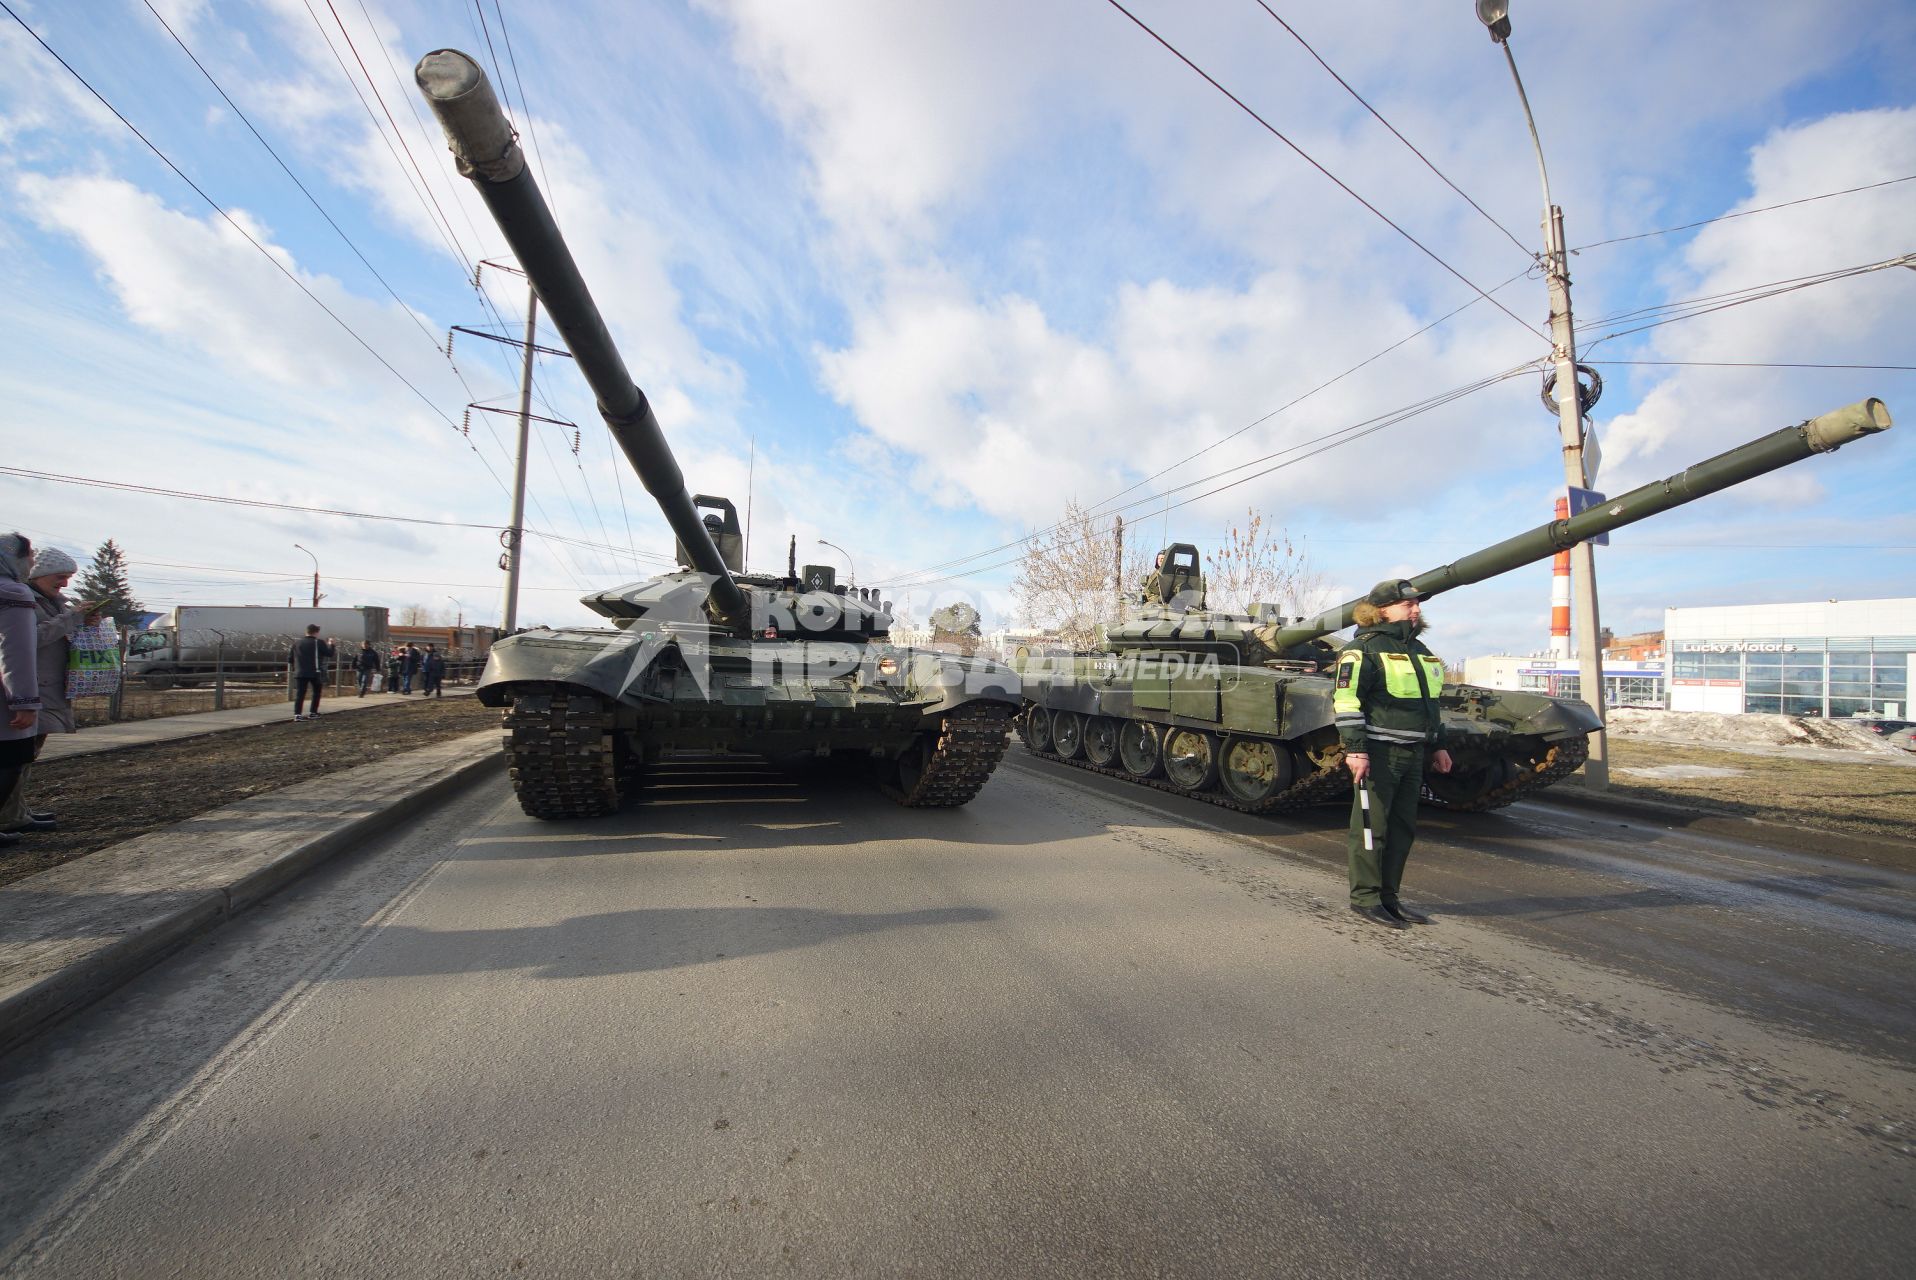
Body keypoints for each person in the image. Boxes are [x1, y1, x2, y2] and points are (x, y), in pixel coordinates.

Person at [1333, 578, 1453, 930]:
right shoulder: (1363, 649)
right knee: (1372, 828)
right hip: (1379, 751)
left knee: (1402, 829)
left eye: (1417, 604)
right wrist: (1355, 749)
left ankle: (1390, 897)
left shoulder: (1420, 651)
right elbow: (1346, 700)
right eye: (1408, 604)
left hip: (1414, 752)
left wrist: (1438, 745)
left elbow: (1431, 706)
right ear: (1383, 610)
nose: (1415, 609)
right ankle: (1366, 898)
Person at [0, 546, 101, 834]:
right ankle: (9, 815)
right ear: (38, 573)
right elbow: (29, 639)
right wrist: (71, 618)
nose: (65, 583)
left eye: (68, 577)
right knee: (17, 757)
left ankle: (17, 811)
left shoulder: (51, 602)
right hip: (29, 686)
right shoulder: (21, 600)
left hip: (46, 686)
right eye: (60, 577)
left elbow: (56, 634)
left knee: (27, 756)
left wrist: (83, 621)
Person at [0, 533, 43, 852]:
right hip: (6, 698)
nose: (32, 562)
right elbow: (17, 652)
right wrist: (25, 701)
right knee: (9, 762)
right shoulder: (13, 593)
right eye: (30, 556)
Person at [289, 624, 334, 721]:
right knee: (316, 692)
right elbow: (329, 654)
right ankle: (313, 712)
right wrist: (331, 644)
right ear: (316, 632)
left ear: (306, 631)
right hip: (315, 672)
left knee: (300, 694)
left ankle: (297, 714)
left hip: (300, 672)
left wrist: (297, 666)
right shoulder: (318, 642)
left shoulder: (297, 643)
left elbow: (290, 659)